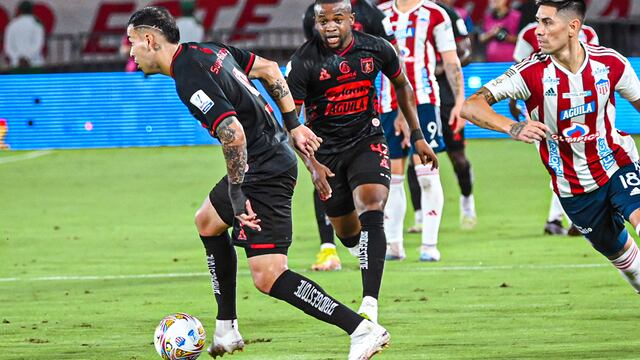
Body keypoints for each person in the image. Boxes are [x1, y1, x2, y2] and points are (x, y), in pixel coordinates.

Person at [126, 7, 389, 359]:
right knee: (207, 221)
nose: (130, 52)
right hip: (269, 156)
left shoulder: (188, 75)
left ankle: (361, 329)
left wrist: (237, 193)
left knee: (268, 276)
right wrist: (293, 124)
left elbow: (232, 134)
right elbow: (268, 69)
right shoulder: (209, 50)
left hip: (263, 170)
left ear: (149, 39)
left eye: (131, 43)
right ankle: (226, 329)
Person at [461, 0, 640, 294]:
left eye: (547, 23)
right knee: (630, 265)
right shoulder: (529, 73)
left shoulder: (610, 63)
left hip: (617, 165)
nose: (537, 32)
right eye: (537, 22)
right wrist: (512, 126)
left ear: (573, 27)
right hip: (574, 190)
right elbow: (471, 105)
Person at [287, 0, 438, 324]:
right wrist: (313, 166)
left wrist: (417, 135)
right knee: (347, 232)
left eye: (337, 19)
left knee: (372, 202)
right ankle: (362, 251)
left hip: (367, 140)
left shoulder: (376, 48)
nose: (329, 26)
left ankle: (370, 302)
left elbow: (402, 84)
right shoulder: (303, 62)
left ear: (351, 20)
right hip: (325, 151)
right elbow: (292, 124)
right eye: (322, 20)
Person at [301, 0, 397, 272]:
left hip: (367, 116)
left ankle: (375, 231)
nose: (330, 26)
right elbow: (314, 55)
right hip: (326, 122)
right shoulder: (313, 11)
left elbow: (392, 59)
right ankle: (330, 247)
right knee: (323, 183)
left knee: (377, 180)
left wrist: (399, 111)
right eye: (324, 21)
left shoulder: (372, 14)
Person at [377, 0, 466, 261]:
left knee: (427, 175)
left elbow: (451, 60)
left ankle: (429, 245)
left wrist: (460, 100)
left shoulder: (436, 15)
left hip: (425, 102)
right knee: (391, 178)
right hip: (386, 104)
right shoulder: (379, 14)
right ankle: (394, 244)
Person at [512, 18, 599, 236]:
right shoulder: (529, 33)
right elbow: (519, 71)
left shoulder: (587, 33)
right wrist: (516, 107)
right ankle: (571, 221)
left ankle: (557, 220)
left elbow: (593, 69)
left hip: (578, 112)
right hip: (541, 114)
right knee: (561, 166)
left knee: (565, 167)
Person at [3, 1, 45, 69]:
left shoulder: (12, 24)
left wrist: (18, 58)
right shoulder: (36, 24)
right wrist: (27, 58)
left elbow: (8, 46)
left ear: (20, 10)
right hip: (34, 63)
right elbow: (38, 44)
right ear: (32, 10)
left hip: (16, 64)